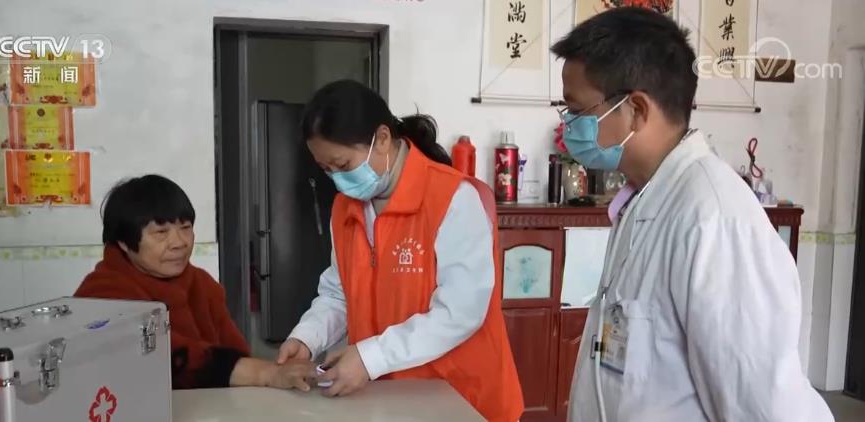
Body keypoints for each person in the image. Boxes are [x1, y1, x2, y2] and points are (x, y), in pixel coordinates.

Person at [550, 7, 834, 422]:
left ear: (637, 109)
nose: (568, 125)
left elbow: (764, 406)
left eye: (577, 111)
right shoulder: (645, 199)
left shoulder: (714, 219)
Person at [274, 80, 524, 422]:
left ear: (382, 138)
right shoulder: (345, 208)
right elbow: (340, 294)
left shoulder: (453, 198)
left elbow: (460, 312)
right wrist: (307, 338)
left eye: (343, 165)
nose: (337, 179)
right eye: (326, 170)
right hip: (387, 399)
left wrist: (370, 357)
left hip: (461, 399)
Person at [75, 175, 317, 391]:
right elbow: (165, 357)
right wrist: (264, 374)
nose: (179, 242)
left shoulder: (202, 283)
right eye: (161, 233)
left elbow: (236, 352)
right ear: (124, 242)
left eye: (185, 228)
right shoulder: (101, 293)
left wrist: (272, 372)